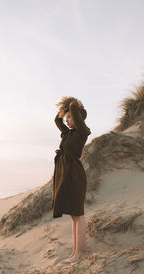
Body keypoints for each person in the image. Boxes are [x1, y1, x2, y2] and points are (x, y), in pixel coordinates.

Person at [52, 96, 91, 263]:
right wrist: (64, 110)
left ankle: (79, 253)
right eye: (67, 117)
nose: (67, 120)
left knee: (78, 214)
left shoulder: (83, 131)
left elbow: (74, 109)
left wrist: (74, 104)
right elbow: (56, 119)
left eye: (70, 117)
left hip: (75, 175)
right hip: (65, 174)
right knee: (73, 216)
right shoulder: (67, 133)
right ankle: (75, 252)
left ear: (79, 117)